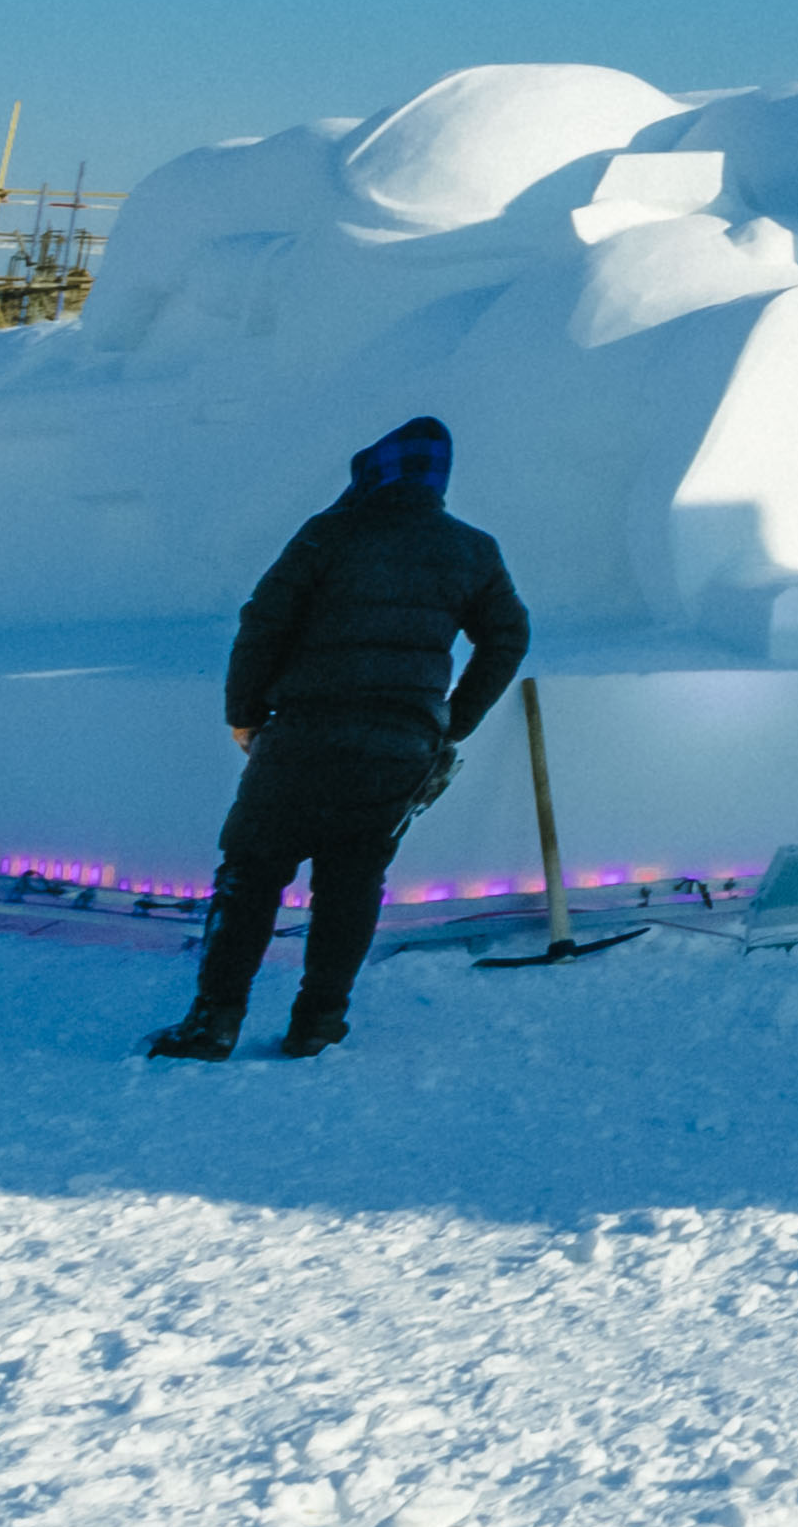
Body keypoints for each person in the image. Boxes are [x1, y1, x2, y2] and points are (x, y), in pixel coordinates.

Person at [152, 414, 528, 1062]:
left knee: (251, 875)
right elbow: (508, 638)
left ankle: (214, 1021)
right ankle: (318, 1023)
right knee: (352, 886)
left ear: (377, 469)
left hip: (303, 739)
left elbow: (261, 623)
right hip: (399, 752)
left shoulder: (328, 534)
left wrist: (243, 712)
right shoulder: (472, 549)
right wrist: (449, 721)